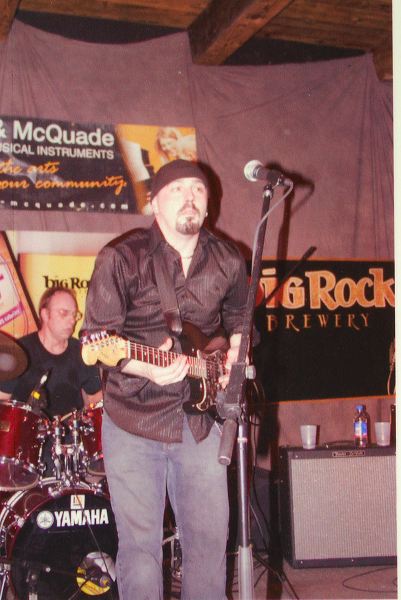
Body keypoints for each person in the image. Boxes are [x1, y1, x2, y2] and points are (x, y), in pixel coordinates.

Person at [82, 158, 249, 600]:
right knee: (140, 551)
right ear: (154, 203)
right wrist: (146, 366)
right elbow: (97, 338)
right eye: (177, 190)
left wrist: (235, 352)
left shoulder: (228, 258)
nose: (189, 197)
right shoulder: (121, 257)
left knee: (209, 546)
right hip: (133, 419)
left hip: (201, 422)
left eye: (198, 189)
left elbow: (239, 316)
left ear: (208, 204)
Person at [0, 286, 102, 474]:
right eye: (64, 313)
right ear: (45, 314)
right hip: (27, 450)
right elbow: (3, 403)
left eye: (75, 315)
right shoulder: (21, 352)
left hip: (72, 448)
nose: (72, 320)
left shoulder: (82, 352)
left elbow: (95, 401)